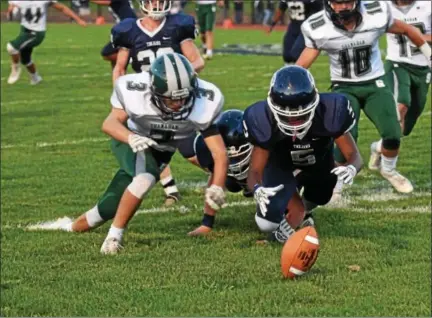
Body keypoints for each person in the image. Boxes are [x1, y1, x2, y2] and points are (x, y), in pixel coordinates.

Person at [296, 0, 431, 195]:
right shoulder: (319, 27)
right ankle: (336, 183)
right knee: (346, 142)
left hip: (375, 84)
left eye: (347, 2)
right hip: (343, 88)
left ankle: (388, 169)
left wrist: (429, 54)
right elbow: (302, 64)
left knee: (393, 133)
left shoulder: (374, 15)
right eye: (337, 3)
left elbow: (408, 30)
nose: (342, 7)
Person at [243, 65, 362, 243]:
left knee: (321, 197)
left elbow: (355, 156)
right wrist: (258, 189)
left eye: (301, 116)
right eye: (287, 117)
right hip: (280, 166)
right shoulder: (263, 119)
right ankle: (290, 203)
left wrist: (352, 168)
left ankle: (303, 208)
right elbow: (254, 171)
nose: (294, 123)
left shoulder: (331, 111)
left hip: (318, 163)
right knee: (265, 223)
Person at [111, 0, 205, 205]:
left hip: (176, 99)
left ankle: (225, 173)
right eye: (152, 1)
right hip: (146, 100)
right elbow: (119, 68)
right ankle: (171, 190)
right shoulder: (128, 30)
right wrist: (122, 95)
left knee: (189, 151)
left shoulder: (177, 26)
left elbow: (198, 61)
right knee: (151, 147)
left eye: (160, 1)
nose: (156, 5)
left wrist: (175, 79)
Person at [369, 0, 431, 170]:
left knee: (406, 127)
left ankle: (379, 147)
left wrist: (418, 37)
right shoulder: (383, 6)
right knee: (401, 105)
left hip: (423, 68)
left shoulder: (428, 5)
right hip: (397, 63)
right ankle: (389, 168)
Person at [179, 109, 254, 236]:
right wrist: (206, 224)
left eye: (238, 155)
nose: (235, 161)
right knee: (219, 174)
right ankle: (207, 222)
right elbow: (215, 175)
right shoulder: (215, 155)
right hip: (234, 179)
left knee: (265, 222)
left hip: (257, 172)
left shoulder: (262, 148)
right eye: (229, 155)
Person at [6, 0, 87, 85]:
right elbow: (10, 15)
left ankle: (15, 69)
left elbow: (62, 8)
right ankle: (36, 78)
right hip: (24, 31)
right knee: (25, 59)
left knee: (11, 47)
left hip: (36, 33)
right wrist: (10, 12)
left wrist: (78, 19)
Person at [267, 0, 323, 64]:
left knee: (296, 54)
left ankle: (302, 72)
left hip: (307, 28)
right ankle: (289, 72)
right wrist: (272, 24)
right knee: (287, 56)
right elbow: (280, 10)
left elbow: (321, 13)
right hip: (293, 27)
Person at [89, 0, 137, 69]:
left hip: (128, 28)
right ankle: (117, 78)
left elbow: (106, 1)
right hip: (127, 27)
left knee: (107, 53)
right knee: (114, 56)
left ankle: (134, 59)